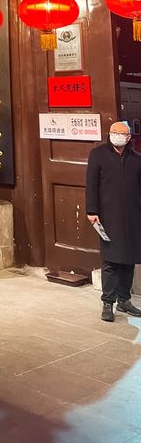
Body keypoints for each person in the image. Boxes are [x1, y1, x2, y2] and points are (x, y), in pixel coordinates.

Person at [86, 120, 141, 322]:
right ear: (109, 134)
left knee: (129, 260)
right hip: (108, 215)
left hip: (133, 216)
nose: (119, 136)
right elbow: (91, 184)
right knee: (110, 260)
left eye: (123, 133)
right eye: (115, 132)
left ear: (129, 137)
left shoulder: (136, 159)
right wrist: (92, 210)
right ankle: (108, 302)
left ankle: (124, 299)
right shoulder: (98, 155)